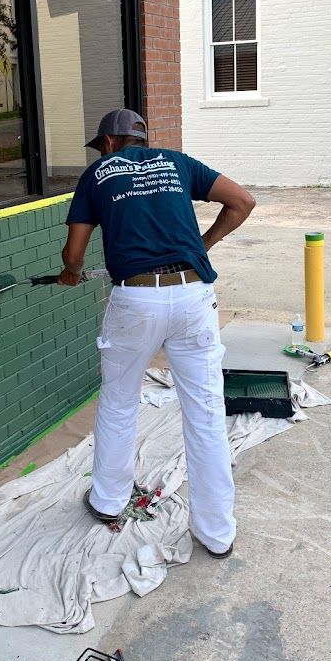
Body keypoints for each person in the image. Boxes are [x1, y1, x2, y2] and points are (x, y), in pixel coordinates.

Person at [57, 109, 255, 557]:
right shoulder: (178, 162)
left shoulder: (97, 174)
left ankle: (108, 501)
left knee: (119, 400)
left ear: (109, 142)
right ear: (142, 140)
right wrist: (201, 246)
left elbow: (74, 254)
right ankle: (216, 533)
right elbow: (242, 202)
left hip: (136, 299)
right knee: (206, 409)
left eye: (101, 146)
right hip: (193, 295)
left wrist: (70, 274)